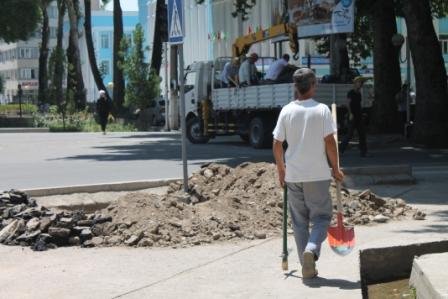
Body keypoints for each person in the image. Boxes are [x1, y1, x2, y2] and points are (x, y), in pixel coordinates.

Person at [273, 68, 344, 279]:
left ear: (296, 87)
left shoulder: (286, 111)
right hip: (318, 175)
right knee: (322, 218)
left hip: (294, 175)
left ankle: (307, 265)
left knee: (299, 221)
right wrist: (336, 168)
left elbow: (277, 144)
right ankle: (311, 250)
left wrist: (281, 170)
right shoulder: (321, 110)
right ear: (313, 85)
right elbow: (330, 143)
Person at [339, 76, 369, 157]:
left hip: (359, 116)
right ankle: (340, 150)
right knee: (349, 134)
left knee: (362, 134)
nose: (361, 84)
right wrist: (350, 113)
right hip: (352, 116)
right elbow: (348, 104)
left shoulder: (359, 94)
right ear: (355, 83)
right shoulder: (351, 92)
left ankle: (364, 152)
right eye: (359, 82)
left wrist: (362, 113)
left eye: (362, 83)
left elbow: (358, 105)